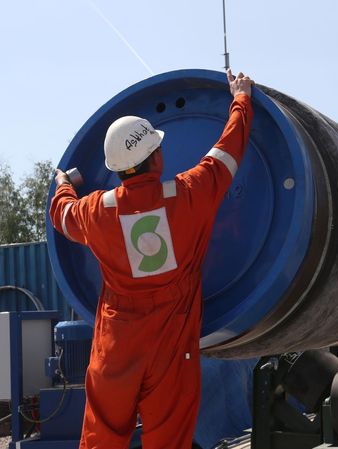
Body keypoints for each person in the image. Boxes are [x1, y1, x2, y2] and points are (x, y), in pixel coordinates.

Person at [49, 69, 254, 449]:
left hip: (117, 347)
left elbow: (60, 214)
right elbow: (227, 154)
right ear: (156, 156)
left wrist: (63, 182)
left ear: (117, 169)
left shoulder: (97, 211)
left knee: (102, 441)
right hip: (170, 347)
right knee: (168, 439)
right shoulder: (189, 194)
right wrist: (240, 99)